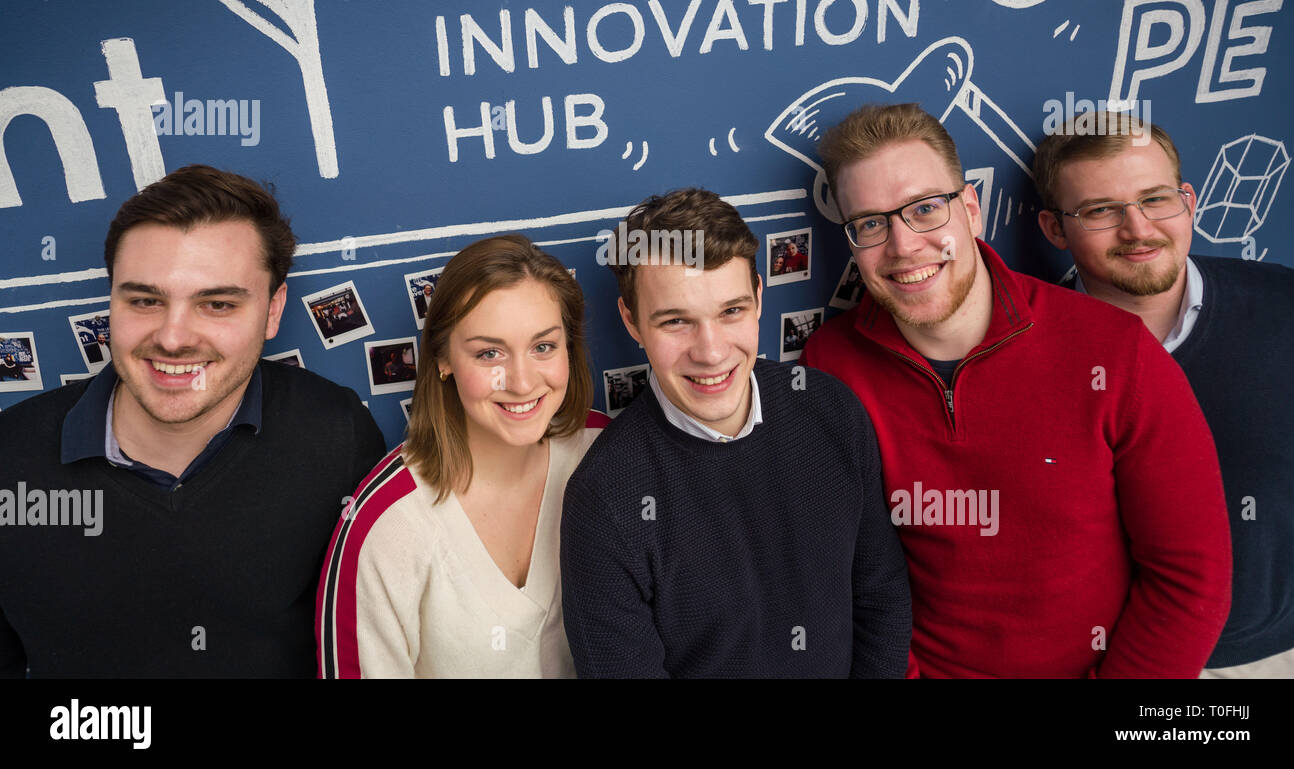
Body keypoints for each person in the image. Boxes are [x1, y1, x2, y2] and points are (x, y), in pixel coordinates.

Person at [800, 102, 1232, 678]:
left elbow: (1190, 579)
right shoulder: (829, 366)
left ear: (971, 210)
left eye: (926, 209)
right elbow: (841, 573)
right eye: (871, 224)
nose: (903, 246)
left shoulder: (1116, 352)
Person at [0, 164, 386, 677]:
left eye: (217, 304)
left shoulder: (337, 432)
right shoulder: (10, 459)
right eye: (144, 300)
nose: (174, 337)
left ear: (273, 311)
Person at [561, 188, 911, 678]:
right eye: (676, 321)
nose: (711, 352)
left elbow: (882, 596)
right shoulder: (605, 499)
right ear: (632, 322)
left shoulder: (832, 410)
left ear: (760, 298)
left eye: (731, 311)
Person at [1033, 112, 1294, 678]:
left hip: (1280, 653)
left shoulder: (1288, 306)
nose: (1138, 229)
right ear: (1055, 229)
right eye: (1101, 210)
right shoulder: (1022, 354)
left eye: (1155, 199)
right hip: (1112, 665)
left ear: (1189, 200)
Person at [316, 235, 606, 678]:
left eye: (543, 346)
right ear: (443, 359)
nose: (522, 382)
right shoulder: (386, 523)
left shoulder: (607, 454)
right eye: (489, 353)